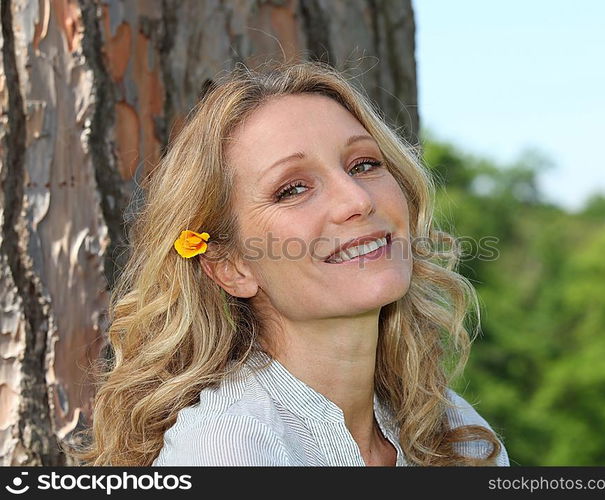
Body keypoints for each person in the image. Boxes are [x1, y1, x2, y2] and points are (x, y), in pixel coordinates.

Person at [71, 60, 509, 466]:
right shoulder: (229, 449)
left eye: (364, 164)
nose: (357, 200)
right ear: (231, 267)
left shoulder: (454, 431)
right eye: (292, 189)